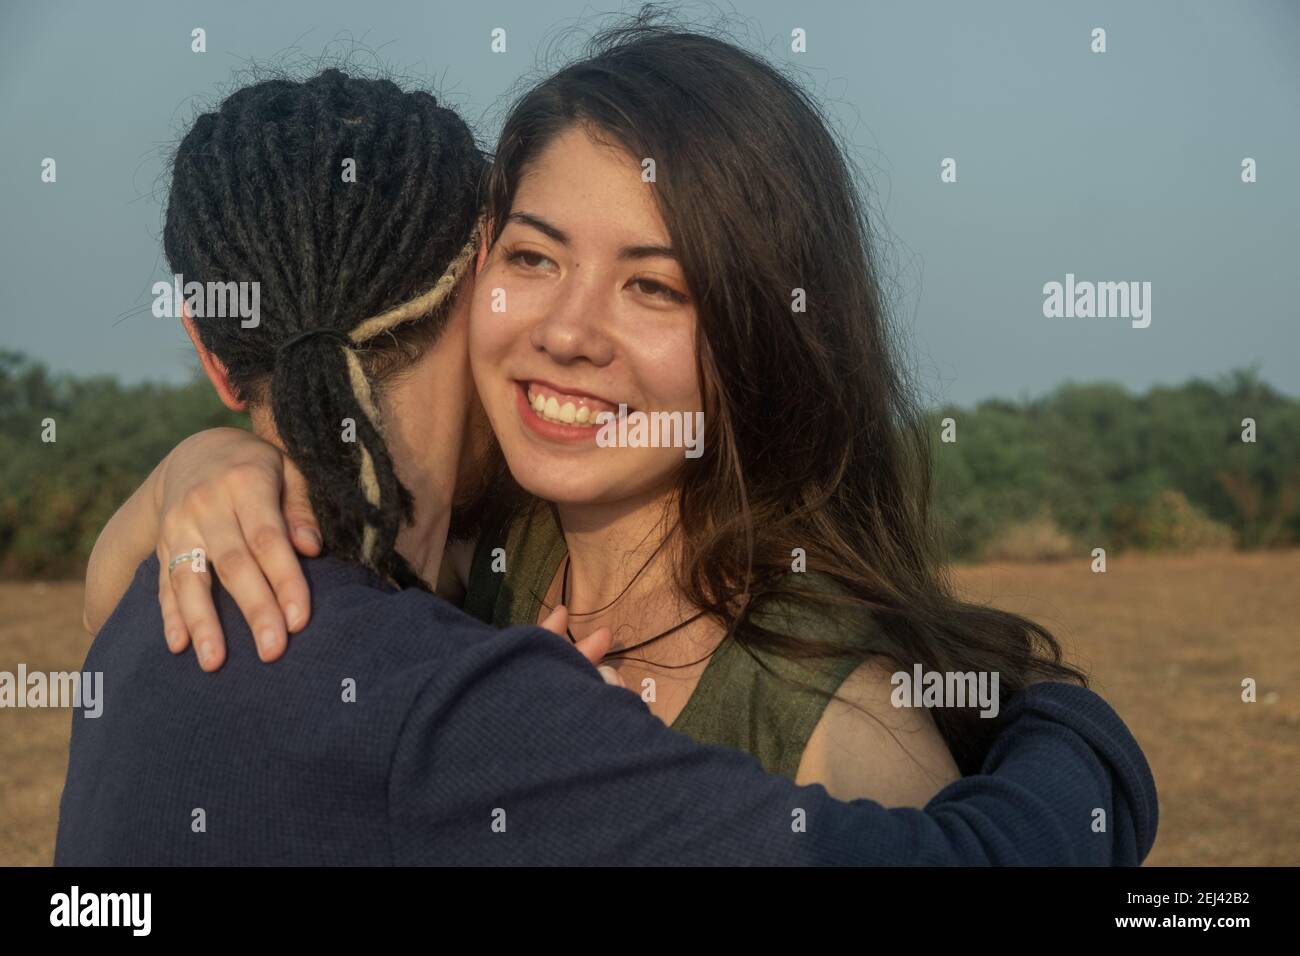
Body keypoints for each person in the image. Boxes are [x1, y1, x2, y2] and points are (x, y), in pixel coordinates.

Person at [59, 67, 1157, 865]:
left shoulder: (836, 720)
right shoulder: (452, 567)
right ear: (467, 280)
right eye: (534, 258)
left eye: (655, 285)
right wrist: (191, 471)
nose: (571, 331)